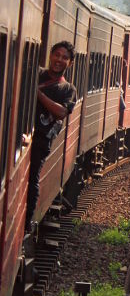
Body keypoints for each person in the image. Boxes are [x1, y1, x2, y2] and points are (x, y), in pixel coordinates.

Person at [25, 41, 77, 233]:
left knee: (33, 178)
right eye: (57, 55)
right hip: (23, 134)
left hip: (42, 140)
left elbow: (61, 112)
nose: (59, 60)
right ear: (50, 55)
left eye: (64, 57)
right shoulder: (35, 73)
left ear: (70, 63)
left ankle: (26, 223)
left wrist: (37, 94)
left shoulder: (67, 89)